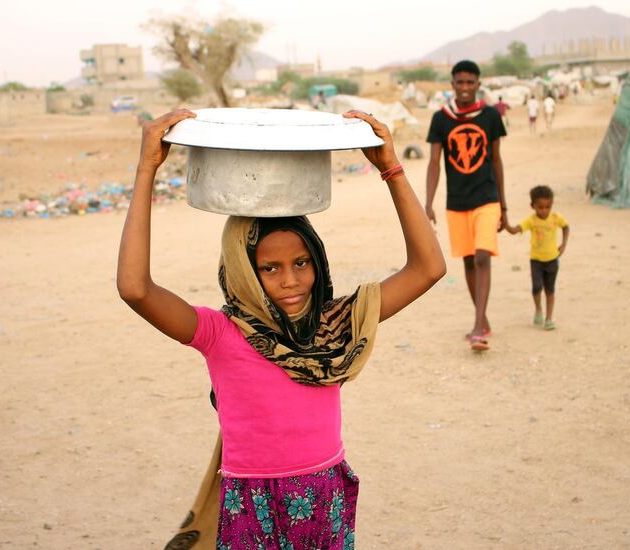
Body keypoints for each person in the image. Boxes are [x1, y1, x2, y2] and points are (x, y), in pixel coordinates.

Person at [117, 108, 445, 548]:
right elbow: (136, 288)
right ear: (242, 270)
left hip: (324, 498)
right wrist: (146, 169)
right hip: (250, 505)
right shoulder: (219, 332)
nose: (290, 280)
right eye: (269, 268)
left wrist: (391, 168)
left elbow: (429, 267)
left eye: (301, 262)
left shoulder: (334, 325)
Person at [424, 59, 507, 352]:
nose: (464, 88)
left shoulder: (490, 117)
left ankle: (476, 326)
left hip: (487, 198)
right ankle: (482, 321)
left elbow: (496, 160)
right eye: (459, 82)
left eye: (470, 82)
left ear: (478, 84)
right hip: (456, 202)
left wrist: (504, 208)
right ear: (452, 85)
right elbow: (434, 162)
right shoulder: (441, 119)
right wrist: (428, 202)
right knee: (469, 261)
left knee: (483, 257)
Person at [505, 185, 569, 331]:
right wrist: (506, 223)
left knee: (550, 290)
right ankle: (538, 309)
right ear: (532, 206)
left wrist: (563, 244)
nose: (544, 210)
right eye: (540, 207)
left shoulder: (555, 218)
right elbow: (515, 230)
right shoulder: (531, 221)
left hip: (552, 259)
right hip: (536, 261)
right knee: (536, 288)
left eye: (548, 207)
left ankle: (549, 318)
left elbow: (566, 227)